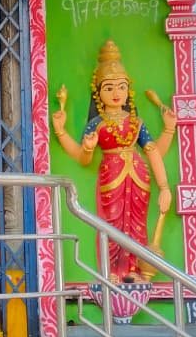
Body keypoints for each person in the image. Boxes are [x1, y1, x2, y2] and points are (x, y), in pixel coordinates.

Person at [51, 40, 176, 281]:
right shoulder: (96, 124)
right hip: (111, 178)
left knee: (136, 223)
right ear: (98, 93)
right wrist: (62, 131)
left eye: (121, 87)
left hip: (139, 177)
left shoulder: (136, 122)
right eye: (109, 88)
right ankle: (113, 271)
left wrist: (164, 187)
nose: (116, 93)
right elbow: (82, 158)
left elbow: (153, 152)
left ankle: (134, 270)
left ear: (128, 90)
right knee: (112, 222)